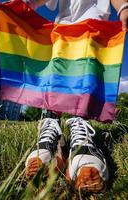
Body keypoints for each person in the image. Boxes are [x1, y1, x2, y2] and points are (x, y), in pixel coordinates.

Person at [20, 0, 128, 193]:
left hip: (94, 28)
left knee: (85, 81)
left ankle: (82, 138)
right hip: (63, 29)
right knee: (56, 81)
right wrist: (26, 4)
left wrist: (123, 7)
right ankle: (52, 139)